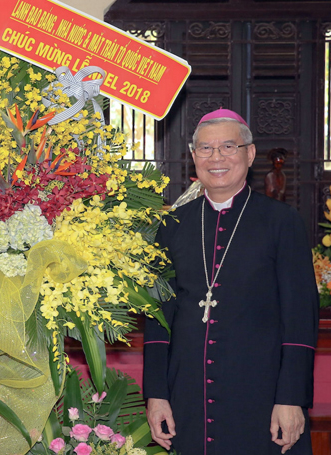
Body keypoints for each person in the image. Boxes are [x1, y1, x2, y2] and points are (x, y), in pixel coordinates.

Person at [143, 108, 318, 455]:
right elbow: (158, 318)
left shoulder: (282, 222)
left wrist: (291, 399)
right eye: (205, 149)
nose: (217, 157)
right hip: (187, 396)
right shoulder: (172, 225)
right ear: (193, 157)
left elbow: (300, 318)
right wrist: (156, 394)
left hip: (263, 395)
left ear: (249, 153)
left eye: (228, 147)